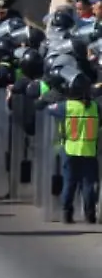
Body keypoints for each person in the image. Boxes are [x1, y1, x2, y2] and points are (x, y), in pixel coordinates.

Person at [58, 74, 100, 224]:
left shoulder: (66, 106)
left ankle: (67, 213)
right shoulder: (95, 107)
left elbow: (48, 108)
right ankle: (90, 214)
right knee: (88, 185)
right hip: (89, 150)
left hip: (70, 149)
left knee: (69, 183)